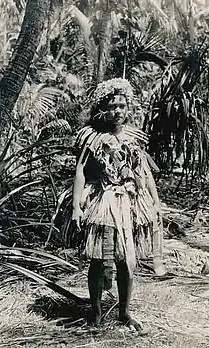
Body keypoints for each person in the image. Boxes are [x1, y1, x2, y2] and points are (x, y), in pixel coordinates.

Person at [71, 78, 165, 331]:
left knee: (126, 260)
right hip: (104, 201)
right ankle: (97, 313)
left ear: (128, 108)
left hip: (130, 203)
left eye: (122, 106)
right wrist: (76, 206)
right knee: (99, 259)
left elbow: (144, 173)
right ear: (103, 108)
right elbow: (81, 171)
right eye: (113, 106)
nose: (118, 111)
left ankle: (124, 312)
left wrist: (155, 203)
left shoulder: (133, 138)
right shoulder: (92, 137)